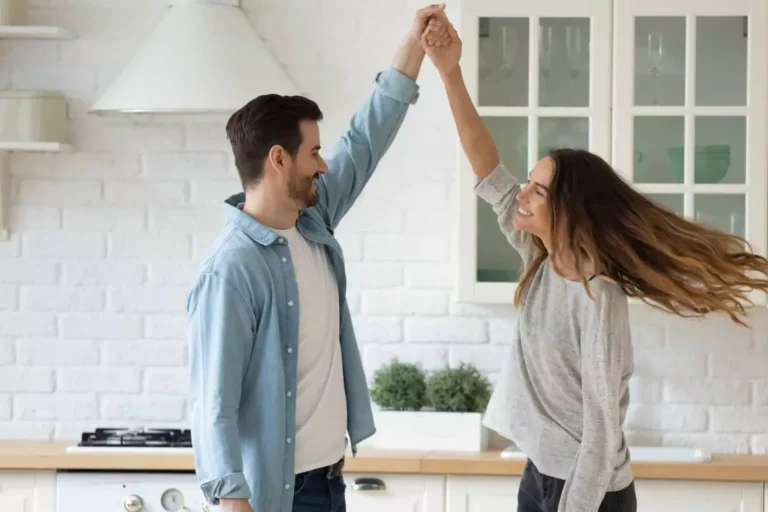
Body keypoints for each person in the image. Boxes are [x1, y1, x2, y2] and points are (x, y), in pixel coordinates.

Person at [421, 20, 768, 512]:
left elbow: (602, 432)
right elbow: (486, 168)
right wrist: (449, 72)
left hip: (588, 488)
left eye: (537, 190)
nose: (521, 192)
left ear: (569, 209)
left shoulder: (597, 296)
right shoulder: (537, 256)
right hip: (541, 471)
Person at [186, 6, 450, 512]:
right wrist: (230, 500)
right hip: (278, 496)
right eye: (313, 154)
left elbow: (366, 138)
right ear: (279, 159)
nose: (324, 164)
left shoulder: (312, 219)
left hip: (330, 484)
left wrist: (415, 43)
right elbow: (212, 400)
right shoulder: (231, 268)